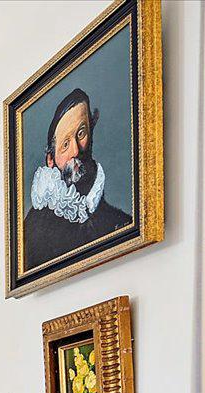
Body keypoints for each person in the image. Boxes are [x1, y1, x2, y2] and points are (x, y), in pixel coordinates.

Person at [22, 88, 133, 269]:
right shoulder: (31, 229)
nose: (75, 150)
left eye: (81, 134)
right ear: (51, 160)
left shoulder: (121, 222)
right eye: (65, 144)